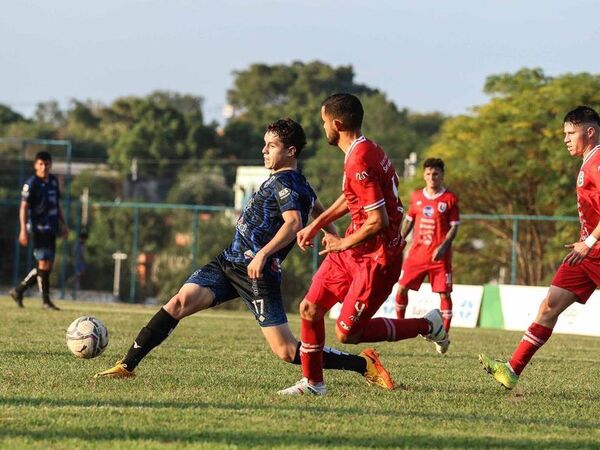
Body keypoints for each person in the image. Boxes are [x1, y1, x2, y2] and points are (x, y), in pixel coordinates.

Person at [95, 118, 394, 390]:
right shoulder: (296, 181)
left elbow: (293, 224)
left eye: (271, 146)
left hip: (257, 272)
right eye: (264, 144)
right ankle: (127, 366)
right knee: (178, 303)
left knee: (287, 351)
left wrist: (264, 254)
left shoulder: (286, 182)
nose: (264, 150)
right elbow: (313, 202)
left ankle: (363, 364)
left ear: (290, 151)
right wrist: (327, 230)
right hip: (228, 262)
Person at [278, 94, 447, 396]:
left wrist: (341, 243)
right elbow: (353, 196)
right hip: (354, 248)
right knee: (309, 308)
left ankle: (427, 325)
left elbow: (377, 220)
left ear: (337, 124)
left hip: (376, 258)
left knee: (347, 334)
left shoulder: (359, 157)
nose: (323, 127)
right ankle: (314, 384)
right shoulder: (364, 149)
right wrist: (316, 225)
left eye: (324, 122)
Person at [479, 106, 600, 389]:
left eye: (571, 133)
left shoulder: (598, 162)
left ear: (590, 131)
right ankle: (512, 370)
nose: (566, 139)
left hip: (591, 247)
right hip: (586, 253)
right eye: (565, 134)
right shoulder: (588, 162)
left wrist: (590, 241)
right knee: (549, 306)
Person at [395, 158, 459, 354]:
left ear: (442, 176)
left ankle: (443, 337)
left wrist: (444, 246)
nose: (432, 177)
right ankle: (399, 326)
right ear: (424, 175)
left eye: (436, 174)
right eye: (429, 173)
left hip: (439, 257)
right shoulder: (416, 197)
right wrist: (399, 241)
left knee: (444, 294)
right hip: (417, 254)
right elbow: (408, 222)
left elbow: (455, 227)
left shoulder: (449, 199)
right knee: (402, 288)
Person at [10, 151, 67, 310]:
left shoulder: (54, 182)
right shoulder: (31, 183)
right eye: (41, 164)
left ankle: (18, 290)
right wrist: (23, 230)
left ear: (50, 165)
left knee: (47, 266)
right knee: (43, 263)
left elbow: (57, 204)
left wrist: (64, 224)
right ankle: (45, 301)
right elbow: (24, 207)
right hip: (38, 228)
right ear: (36, 165)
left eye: (47, 164)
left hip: (52, 228)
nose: (44, 167)